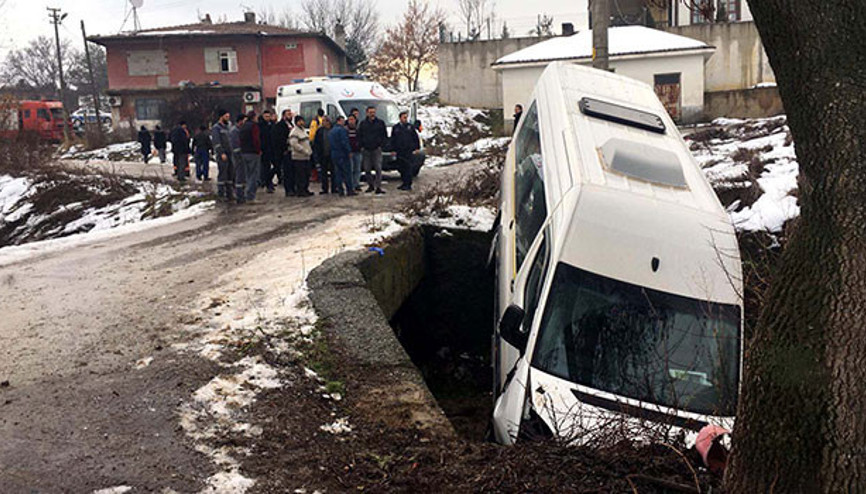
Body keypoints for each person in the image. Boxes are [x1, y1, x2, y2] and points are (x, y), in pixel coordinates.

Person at [358, 106, 387, 195]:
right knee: (367, 169)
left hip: (377, 149)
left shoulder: (380, 123)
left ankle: (378, 187)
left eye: (373, 112)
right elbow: (359, 135)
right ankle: (370, 185)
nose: (372, 114)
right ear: (367, 113)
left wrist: (381, 144)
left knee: (378, 168)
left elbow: (384, 135)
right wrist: (362, 145)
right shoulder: (363, 124)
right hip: (366, 149)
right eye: (370, 112)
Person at [391, 110, 421, 191]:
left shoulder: (410, 127)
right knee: (401, 168)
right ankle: (404, 183)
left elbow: (415, 138)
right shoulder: (396, 128)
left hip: (408, 151)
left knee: (408, 167)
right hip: (399, 151)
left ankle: (408, 184)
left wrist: (417, 148)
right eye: (404, 117)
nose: (405, 119)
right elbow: (393, 139)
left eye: (406, 117)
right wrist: (393, 149)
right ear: (400, 118)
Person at [210, 109, 235, 201]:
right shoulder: (216, 128)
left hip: (230, 153)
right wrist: (221, 153)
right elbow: (217, 142)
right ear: (221, 117)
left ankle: (230, 193)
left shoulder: (229, 126)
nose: (228, 118)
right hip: (222, 154)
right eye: (226, 116)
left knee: (230, 173)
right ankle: (221, 194)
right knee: (223, 174)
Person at [239, 111, 262, 203]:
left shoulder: (243, 126)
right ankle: (250, 196)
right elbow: (256, 139)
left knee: (247, 174)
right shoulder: (254, 126)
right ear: (254, 117)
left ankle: (246, 194)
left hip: (244, 152)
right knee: (254, 175)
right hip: (253, 152)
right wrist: (258, 150)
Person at [328, 116, 354, 196]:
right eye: (343, 121)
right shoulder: (342, 130)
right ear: (339, 121)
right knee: (347, 172)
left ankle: (340, 190)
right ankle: (349, 190)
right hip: (343, 154)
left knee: (338, 173)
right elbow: (344, 142)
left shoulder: (331, 131)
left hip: (334, 153)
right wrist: (349, 151)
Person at [289, 115, 314, 197]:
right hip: (298, 157)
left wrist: (309, 151)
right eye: (300, 121)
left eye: (302, 121)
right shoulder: (294, 132)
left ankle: (305, 189)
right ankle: (300, 190)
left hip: (306, 157)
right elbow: (294, 144)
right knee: (300, 175)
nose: (302, 122)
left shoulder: (303, 131)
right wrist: (304, 150)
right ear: (296, 122)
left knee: (307, 174)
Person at [272, 109, 295, 197]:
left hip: (292, 151)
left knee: (293, 171)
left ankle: (293, 188)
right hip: (285, 151)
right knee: (287, 172)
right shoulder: (279, 126)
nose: (290, 116)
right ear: (284, 115)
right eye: (288, 114)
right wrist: (283, 149)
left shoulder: (291, 125)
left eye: (291, 114)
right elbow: (278, 139)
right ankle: (288, 189)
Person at [313, 116, 334, 194]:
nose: (323, 122)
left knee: (333, 172)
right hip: (323, 154)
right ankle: (325, 188)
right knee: (323, 172)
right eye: (323, 121)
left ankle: (334, 188)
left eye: (325, 121)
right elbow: (316, 143)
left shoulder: (333, 130)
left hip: (332, 154)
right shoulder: (320, 131)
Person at [230, 114, 247, 203]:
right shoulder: (234, 131)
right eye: (244, 120)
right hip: (238, 156)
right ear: (240, 121)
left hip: (242, 155)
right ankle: (239, 196)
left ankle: (242, 194)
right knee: (239, 176)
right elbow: (235, 145)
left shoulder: (240, 130)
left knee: (243, 176)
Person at [258, 109, 276, 193]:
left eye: (269, 116)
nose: (267, 118)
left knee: (276, 166)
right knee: (266, 167)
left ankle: (268, 180)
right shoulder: (260, 125)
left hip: (273, 148)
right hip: (264, 149)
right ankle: (268, 183)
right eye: (266, 116)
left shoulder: (272, 124)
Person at [346, 114, 363, 192]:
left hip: (358, 151)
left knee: (358, 169)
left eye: (352, 119)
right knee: (350, 169)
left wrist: (360, 146)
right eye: (350, 119)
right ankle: (351, 185)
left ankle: (357, 184)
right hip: (349, 153)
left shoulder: (358, 129)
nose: (351, 121)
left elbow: (361, 138)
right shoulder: (345, 130)